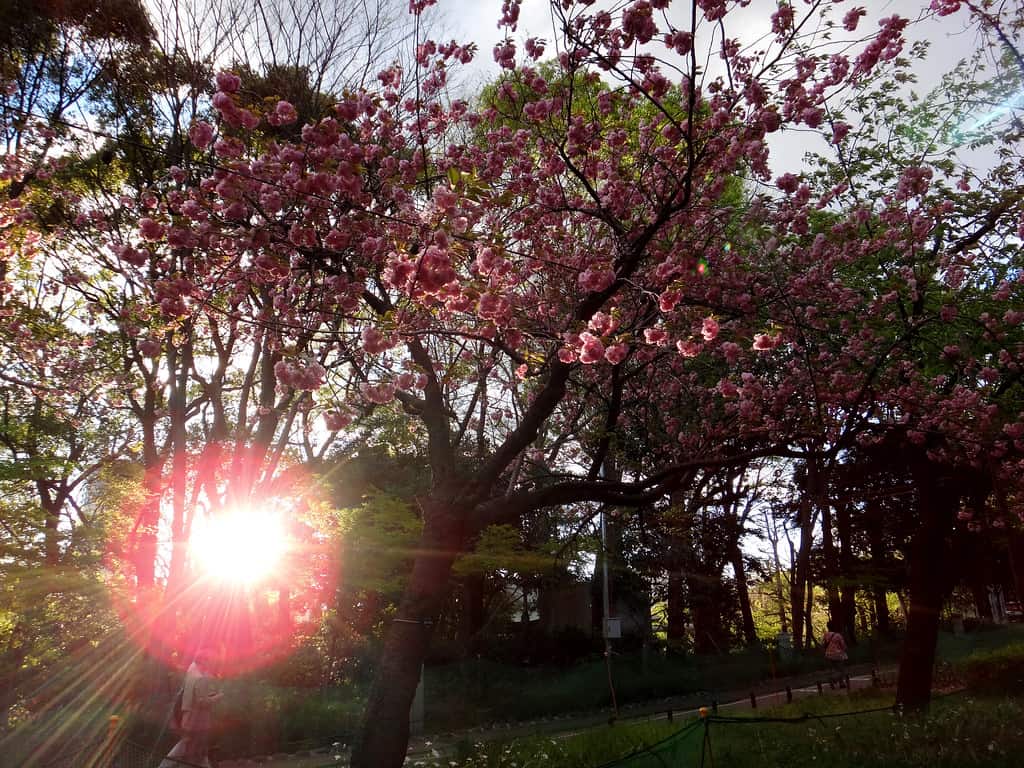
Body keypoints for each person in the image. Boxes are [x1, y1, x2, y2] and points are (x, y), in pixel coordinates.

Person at [160, 649, 222, 768]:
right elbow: (201, 702)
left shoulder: (191, 670)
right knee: (192, 750)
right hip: (198, 722)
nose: (211, 663)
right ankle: (164, 766)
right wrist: (217, 698)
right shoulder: (200, 678)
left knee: (193, 749)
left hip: (188, 718)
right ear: (203, 661)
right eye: (209, 661)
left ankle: (165, 765)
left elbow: (192, 696)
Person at [822, 620, 848, 689]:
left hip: (828, 655)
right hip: (838, 655)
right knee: (841, 670)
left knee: (832, 670)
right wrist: (845, 649)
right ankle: (836, 680)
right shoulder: (838, 635)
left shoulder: (825, 635)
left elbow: (824, 645)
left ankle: (836, 683)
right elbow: (843, 646)